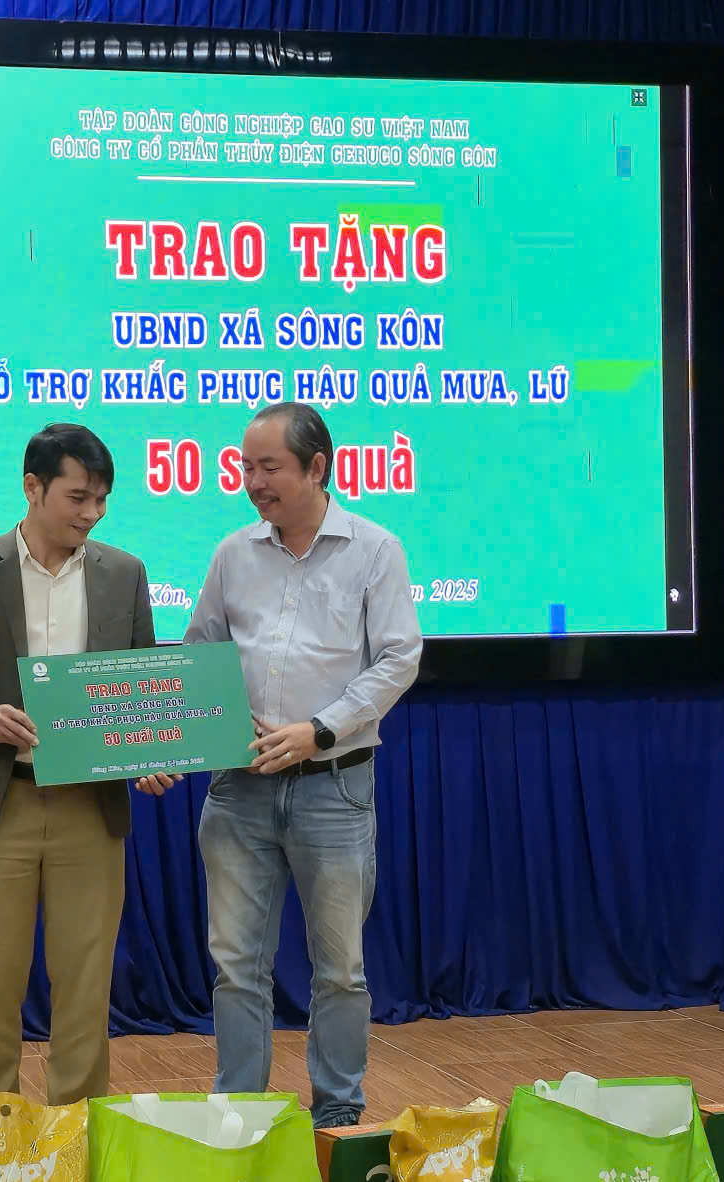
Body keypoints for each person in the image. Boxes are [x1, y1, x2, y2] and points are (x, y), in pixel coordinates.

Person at [184, 401, 423, 1128]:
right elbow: (199, 655)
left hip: (334, 787)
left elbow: (398, 659)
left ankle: (338, 1119)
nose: (252, 482)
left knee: (340, 970)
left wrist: (319, 732)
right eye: (245, 467)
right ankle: (239, 1115)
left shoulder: (375, 549)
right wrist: (182, 733)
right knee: (236, 967)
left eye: (269, 467)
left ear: (317, 467)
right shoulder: (232, 553)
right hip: (238, 789)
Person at [0, 423, 177, 1104]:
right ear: (32, 488)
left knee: (87, 988)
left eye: (102, 500)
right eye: (78, 497)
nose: (92, 513)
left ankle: (79, 1133)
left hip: (90, 807)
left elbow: (140, 684)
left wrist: (149, 752)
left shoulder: (124, 573)